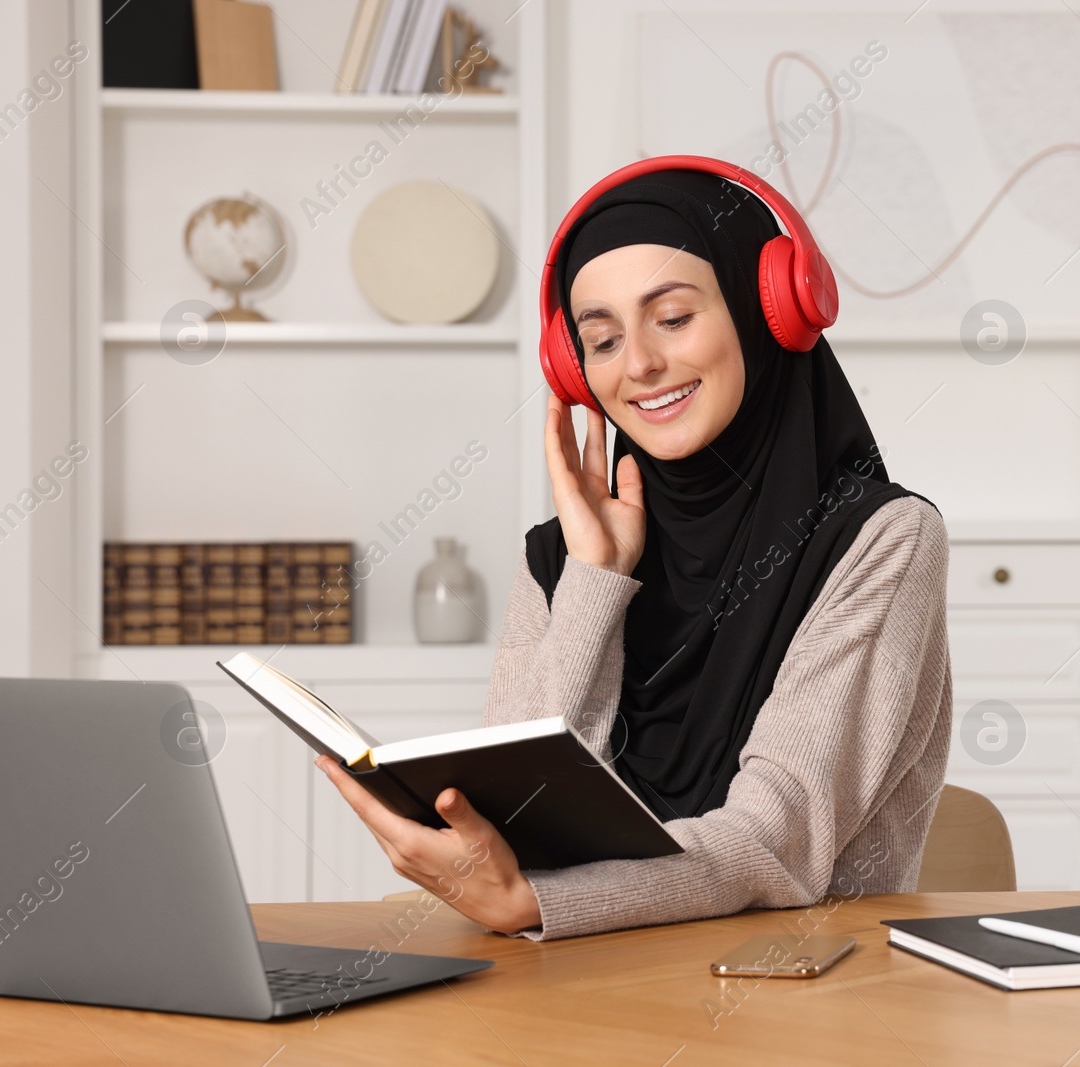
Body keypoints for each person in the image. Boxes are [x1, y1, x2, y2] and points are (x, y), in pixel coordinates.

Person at [316, 164, 953, 940]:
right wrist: (594, 577)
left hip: (796, 989)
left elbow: (774, 841)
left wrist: (543, 903)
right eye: (604, 338)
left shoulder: (881, 540)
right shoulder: (564, 558)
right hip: (577, 980)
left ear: (770, 312)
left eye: (674, 317)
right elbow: (513, 814)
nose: (639, 364)